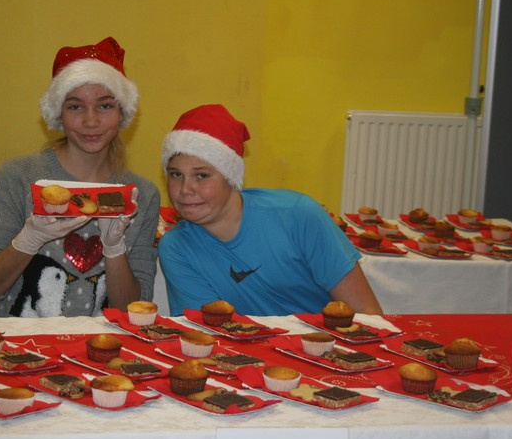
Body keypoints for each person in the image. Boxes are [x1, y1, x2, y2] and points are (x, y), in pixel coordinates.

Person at [0, 37, 160, 317]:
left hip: (103, 343)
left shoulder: (141, 194)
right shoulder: (19, 177)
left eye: (105, 106)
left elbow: (134, 312)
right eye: (75, 106)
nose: (90, 121)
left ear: (122, 113)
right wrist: (27, 241)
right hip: (21, 341)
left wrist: (114, 249)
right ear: (59, 113)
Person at [158, 104, 382, 316]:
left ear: (231, 176)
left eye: (202, 175)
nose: (185, 189)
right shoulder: (176, 247)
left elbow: (367, 314)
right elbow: (204, 331)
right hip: (241, 345)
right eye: (176, 174)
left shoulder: (297, 215)